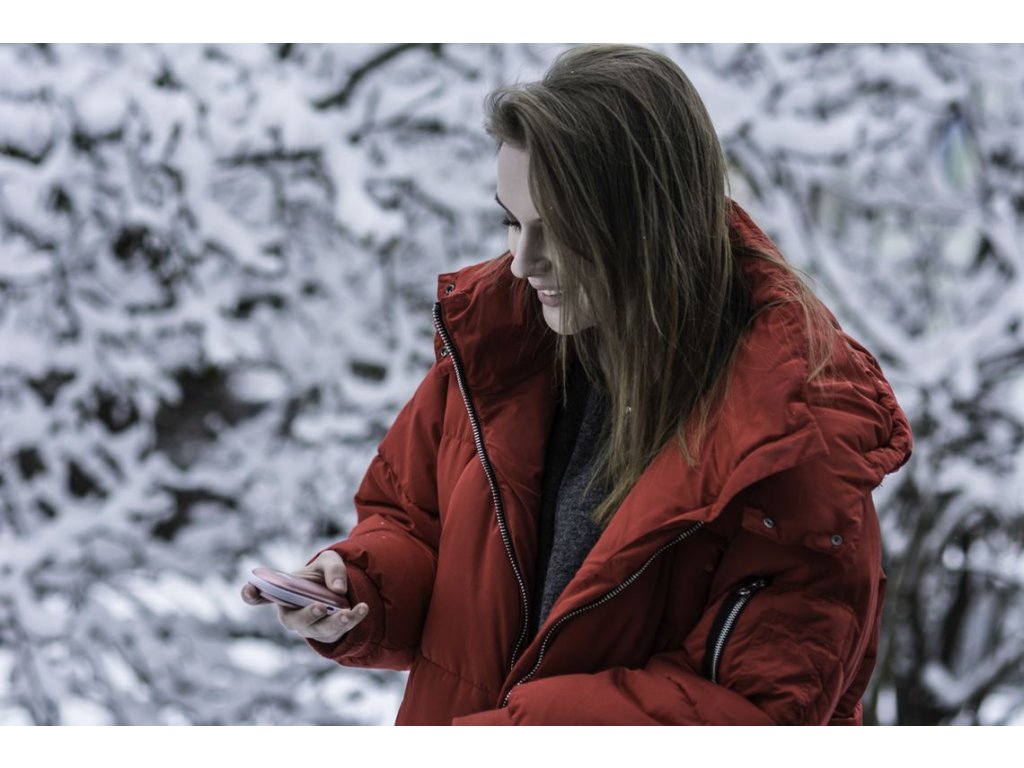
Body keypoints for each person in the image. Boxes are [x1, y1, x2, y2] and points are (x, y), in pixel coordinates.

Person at [242, 44, 912, 725]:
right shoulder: (495, 354)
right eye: (512, 221)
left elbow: (749, 712)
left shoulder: (793, 439)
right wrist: (359, 584)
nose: (521, 263)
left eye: (559, 230)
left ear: (651, 222)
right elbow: (415, 525)